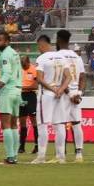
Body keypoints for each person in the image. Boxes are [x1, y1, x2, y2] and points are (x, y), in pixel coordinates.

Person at [32, 34, 66, 163]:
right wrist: (61, 89)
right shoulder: (61, 57)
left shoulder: (42, 58)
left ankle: (41, 156)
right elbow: (68, 76)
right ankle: (61, 156)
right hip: (59, 93)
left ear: (42, 44)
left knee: (42, 124)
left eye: (38, 46)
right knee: (59, 125)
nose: (38, 49)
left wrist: (52, 90)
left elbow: (40, 79)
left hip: (47, 94)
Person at [0, 30, 23, 165]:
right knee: (14, 125)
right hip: (17, 91)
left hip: (8, 91)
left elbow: (7, 73)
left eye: (0, 40)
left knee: (6, 125)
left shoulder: (5, 55)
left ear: (7, 42)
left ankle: (10, 157)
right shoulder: (15, 53)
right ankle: (14, 155)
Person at [55, 29, 86, 162]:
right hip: (75, 94)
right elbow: (83, 77)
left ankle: (61, 156)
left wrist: (69, 93)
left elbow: (62, 77)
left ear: (58, 40)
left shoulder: (58, 56)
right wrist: (78, 93)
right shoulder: (77, 57)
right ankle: (79, 154)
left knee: (61, 123)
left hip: (64, 93)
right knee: (76, 123)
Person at [19, 54, 38, 154]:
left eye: (24, 64)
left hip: (30, 96)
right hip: (21, 96)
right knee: (22, 121)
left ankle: (37, 146)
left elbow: (35, 86)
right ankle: (21, 146)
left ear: (28, 62)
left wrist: (22, 88)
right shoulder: (19, 69)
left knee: (34, 121)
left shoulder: (33, 69)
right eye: (21, 64)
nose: (22, 66)